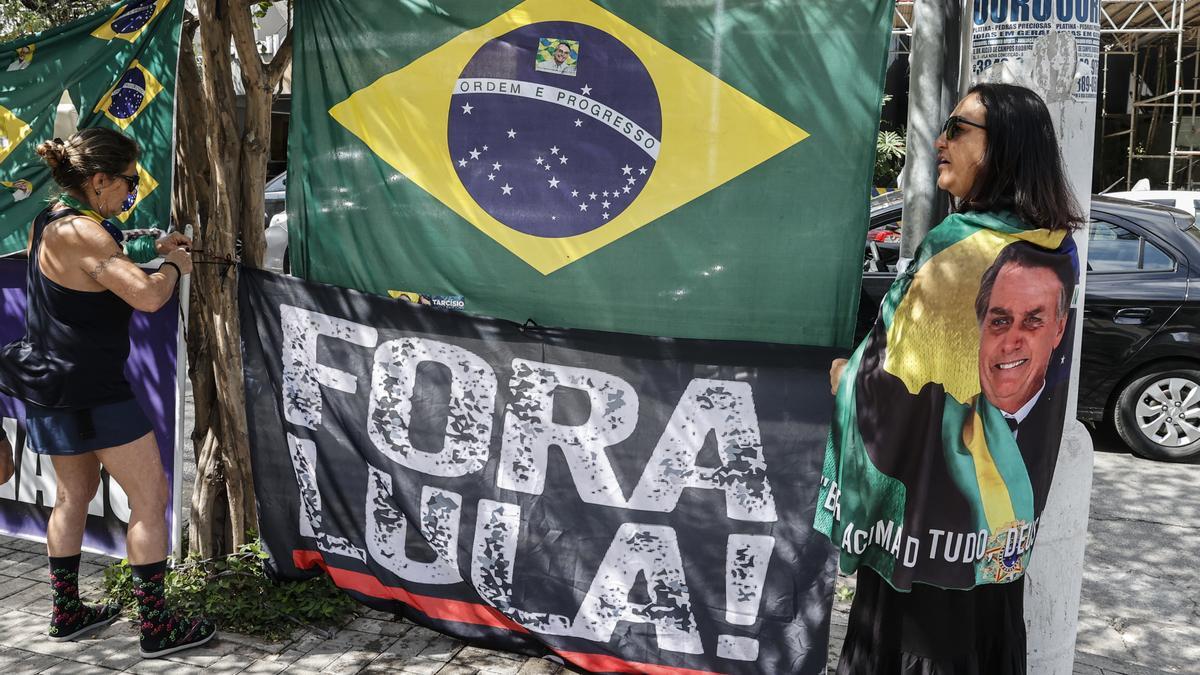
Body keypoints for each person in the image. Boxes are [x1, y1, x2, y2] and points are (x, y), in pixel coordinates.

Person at [819, 83, 1083, 674]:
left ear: (1002, 149)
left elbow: (891, 384)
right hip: (995, 531)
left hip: (927, 536)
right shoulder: (1053, 246)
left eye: (958, 129)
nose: (940, 141)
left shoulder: (960, 250)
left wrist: (847, 377)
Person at [0, 128, 215, 657]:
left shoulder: (50, 217)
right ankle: (156, 626)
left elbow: (101, 252)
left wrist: (147, 243)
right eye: (127, 182)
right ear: (98, 181)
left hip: (51, 385)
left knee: (74, 495)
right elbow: (145, 296)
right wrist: (172, 266)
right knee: (151, 497)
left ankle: (67, 612)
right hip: (92, 389)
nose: (131, 192)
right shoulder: (82, 233)